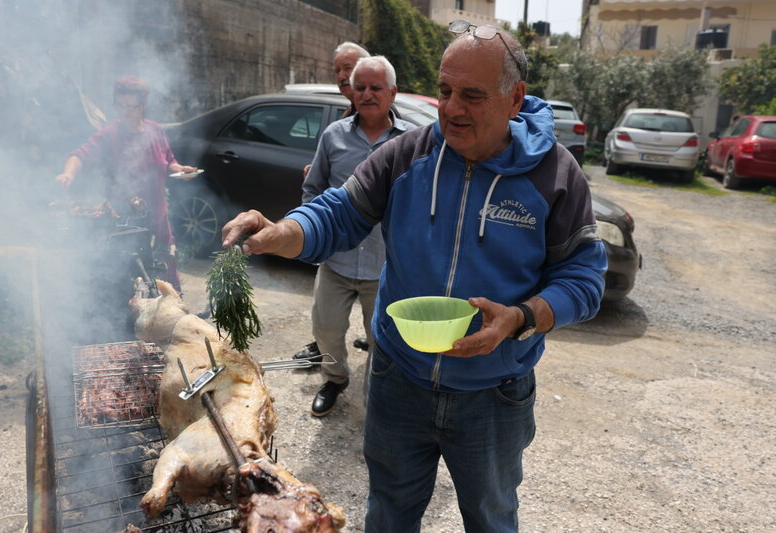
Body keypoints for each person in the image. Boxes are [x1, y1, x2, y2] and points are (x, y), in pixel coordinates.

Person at [222, 21, 607, 532]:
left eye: (471, 95)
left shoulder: (555, 174)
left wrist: (519, 318)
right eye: (445, 91)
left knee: (492, 518)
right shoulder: (410, 153)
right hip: (398, 378)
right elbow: (338, 213)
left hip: (493, 392)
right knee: (388, 514)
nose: (450, 108)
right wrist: (282, 231)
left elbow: (584, 279)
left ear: (515, 99)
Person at [300, 56, 414, 417]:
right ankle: (335, 379)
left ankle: (376, 395)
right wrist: (315, 236)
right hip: (336, 260)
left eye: (375, 88)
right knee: (327, 330)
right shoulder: (334, 136)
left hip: (384, 265)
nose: (366, 94)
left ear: (392, 93)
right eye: (360, 87)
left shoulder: (410, 142)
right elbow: (313, 188)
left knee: (382, 339)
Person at [56, 75, 198, 293]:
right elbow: (80, 155)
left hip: (159, 223)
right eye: (119, 105)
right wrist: (68, 173)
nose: (124, 110)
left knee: (165, 286)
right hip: (125, 228)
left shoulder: (155, 130)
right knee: (132, 287)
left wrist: (180, 170)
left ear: (143, 105)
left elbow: (169, 160)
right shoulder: (109, 135)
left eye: (129, 106)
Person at [294, 41, 371, 363]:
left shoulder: (397, 131)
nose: (342, 76)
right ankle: (325, 352)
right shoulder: (340, 124)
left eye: (348, 68)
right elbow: (319, 186)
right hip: (339, 247)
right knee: (327, 322)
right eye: (337, 69)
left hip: (377, 252)